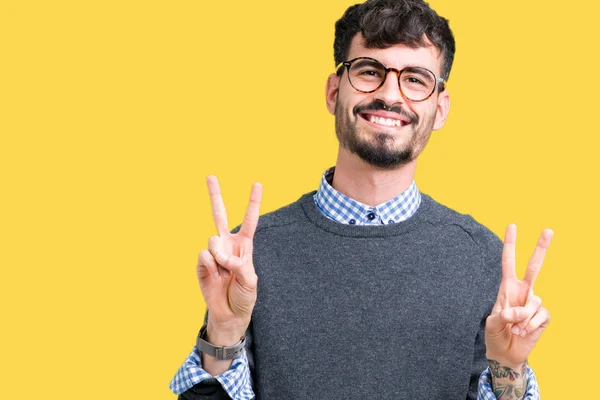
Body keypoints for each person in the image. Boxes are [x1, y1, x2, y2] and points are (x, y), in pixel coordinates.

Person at [170, 0, 553, 398]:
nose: (389, 95)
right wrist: (224, 331)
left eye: (416, 79)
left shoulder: (481, 257)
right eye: (370, 72)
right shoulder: (249, 255)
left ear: (440, 110)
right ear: (335, 92)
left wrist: (509, 368)